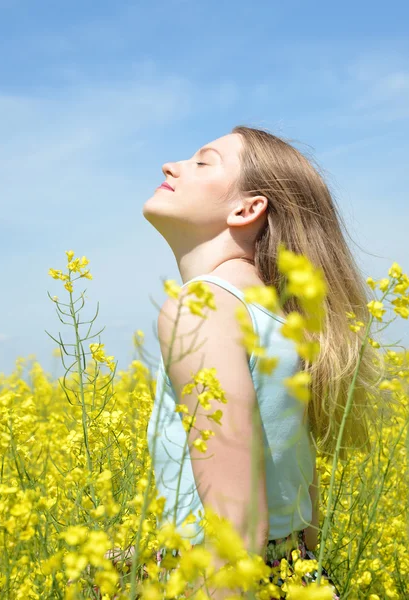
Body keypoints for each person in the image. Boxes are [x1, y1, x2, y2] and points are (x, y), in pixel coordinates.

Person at [142, 126, 382, 599]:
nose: (170, 166)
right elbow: (303, 514)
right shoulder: (286, 322)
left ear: (247, 209)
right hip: (295, 577)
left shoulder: (202, 308)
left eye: (203, 161)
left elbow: (234, 530)